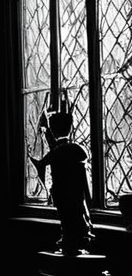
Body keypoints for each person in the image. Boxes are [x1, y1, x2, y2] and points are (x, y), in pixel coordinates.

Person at [30, 107, 94, 254]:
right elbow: (83, 179)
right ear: (70, 128)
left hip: (62, 194)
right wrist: (88, 198)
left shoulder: (57, 152)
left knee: (68, 223)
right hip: (74, 194)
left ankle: (71, 242)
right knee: (76, 221)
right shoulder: (76, 149)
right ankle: (74, 241)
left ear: (53, 131)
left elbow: (43, 164)